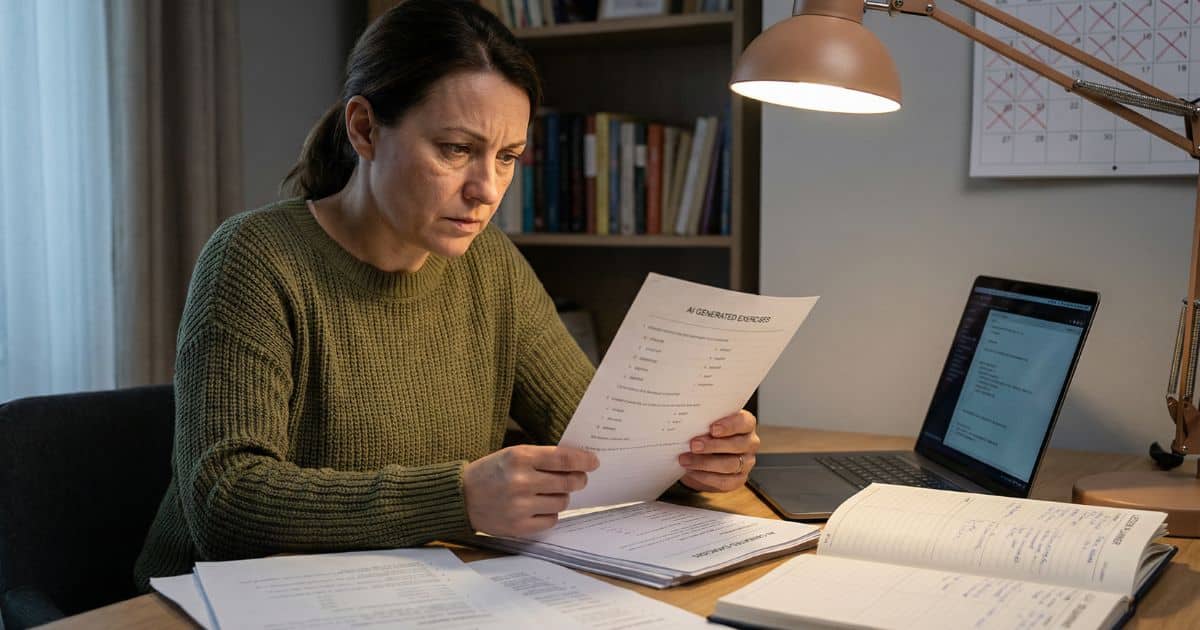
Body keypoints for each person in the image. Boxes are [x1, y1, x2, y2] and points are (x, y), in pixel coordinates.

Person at [134, 0, 759, 591]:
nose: (486, 189)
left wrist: (689, 463)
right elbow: (225, 504)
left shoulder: (490, 264)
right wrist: (458, 497)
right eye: (456, 149)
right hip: (222, 603)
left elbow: (602, 448)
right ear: (364, 128)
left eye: (508, 156)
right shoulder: (256, 257)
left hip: (413, 589)